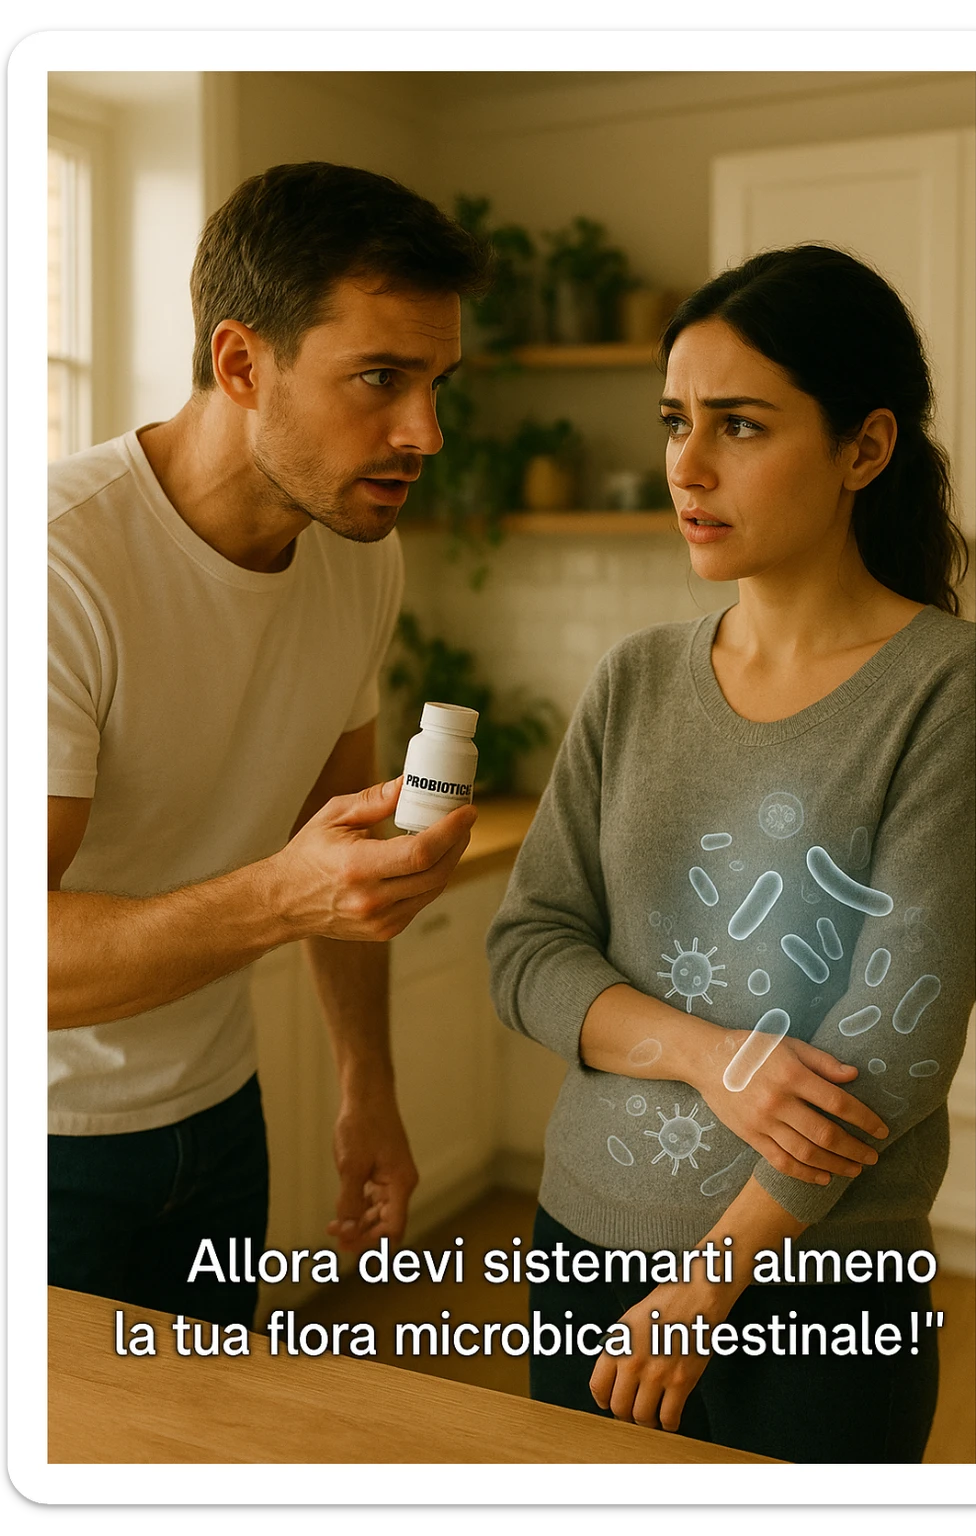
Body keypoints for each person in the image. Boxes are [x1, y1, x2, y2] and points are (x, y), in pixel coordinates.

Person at [486, 245, 975, 1464]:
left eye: (740, 426)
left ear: (863, 450)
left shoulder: (952, 693)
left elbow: (894, 1044)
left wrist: (711, 1283)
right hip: (584, 1242)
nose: (685, 468)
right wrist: (710, 1058)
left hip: (815, 1283)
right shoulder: (636, 677)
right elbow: (526, 947)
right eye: (674, 423)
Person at [48, 162, 490, 1327]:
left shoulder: (359, 551)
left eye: (437, 383)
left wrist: (367, 1084)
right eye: (381, 379)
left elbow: (335, 837)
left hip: (218, 1113)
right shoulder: (56, 568)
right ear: (242, 363)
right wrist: (284, 900)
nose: (424, 433)